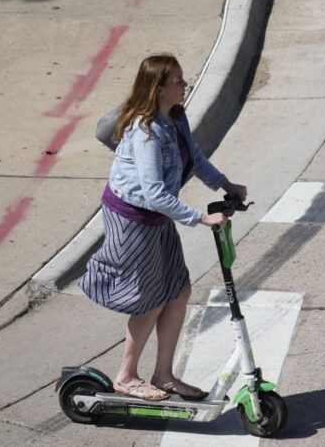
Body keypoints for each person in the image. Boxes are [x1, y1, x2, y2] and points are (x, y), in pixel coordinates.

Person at [79, 54, 247, 401]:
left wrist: (225, 185)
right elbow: (154, 193)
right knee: (151, 299)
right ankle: (125, 376)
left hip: (156, 216)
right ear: (158, 89)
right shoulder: (146, 133)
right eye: (179, 81)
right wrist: (200, 218)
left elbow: (195, 158)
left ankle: (164, 375)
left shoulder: (176, 116)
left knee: (178, 291)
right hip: (132, 217)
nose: (185, 85)